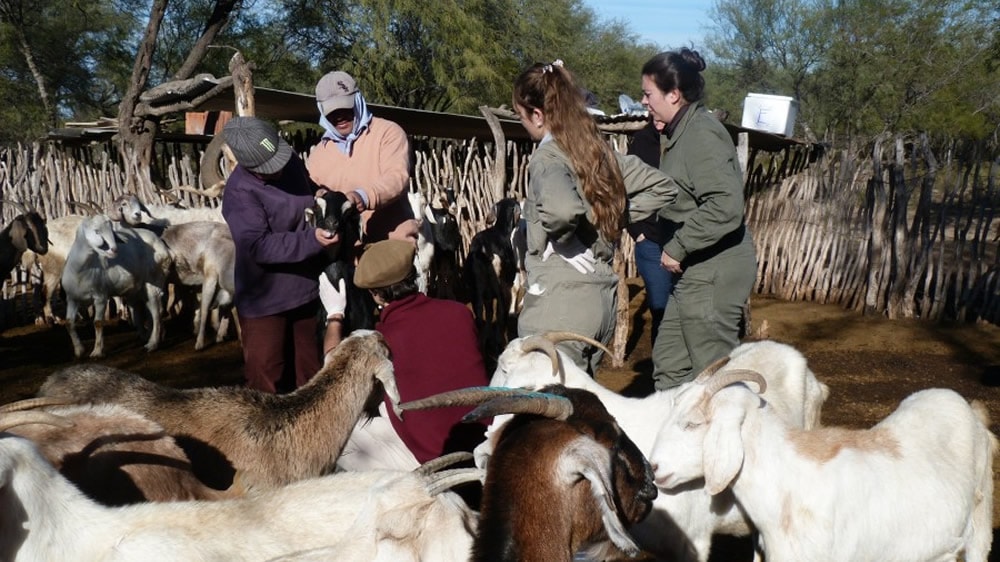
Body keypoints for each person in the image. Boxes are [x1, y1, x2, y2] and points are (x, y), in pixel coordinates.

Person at [512, 59, 677, 375]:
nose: (523, 123)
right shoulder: (601, 156)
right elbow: (664, 187)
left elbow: (562, 211)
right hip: (599, 304)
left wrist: (568, 239)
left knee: (545, 414)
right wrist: (604, 218)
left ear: (537, 114)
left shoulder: (548, 158)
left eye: (521, 116)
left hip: (560, 305)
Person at [640, 49, 758, 390]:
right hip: (696, 270)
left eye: (648, 94)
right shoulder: (679, 133)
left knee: (712, 378)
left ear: (673, 94)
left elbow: (726, 204)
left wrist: (677, 246)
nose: (644, 101)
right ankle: (681, 442)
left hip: (714, 270)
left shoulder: (701, 134)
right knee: (670, 367)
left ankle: (730, 441)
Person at [320, 239, 490, 471]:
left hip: (433, 458)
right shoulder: (460, 312)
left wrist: (335, 314)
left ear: (375, 294)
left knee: (336, 426)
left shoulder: (380, 341)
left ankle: (406, 491)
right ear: (413, 274)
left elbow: (330, 369)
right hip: (485, 445)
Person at [221, 116, 339, 393]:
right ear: (248, 165)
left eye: (279, 160)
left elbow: (307, 188)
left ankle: (314, 436)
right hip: (265, 298)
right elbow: (258, 246)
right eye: (267, 169)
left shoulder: (290, 162)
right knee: (267, 380)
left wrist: (319, 193)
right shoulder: (240, 193)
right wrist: (312, 239)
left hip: (305, 290)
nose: (278, 169)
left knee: (311, 377)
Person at [306, 70, 418, 245]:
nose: (340, 116)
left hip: (388, 242)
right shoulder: (319, 154)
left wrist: (363, 196)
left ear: (358, 101)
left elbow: (396, 178)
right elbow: (310, 192)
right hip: (341, 249)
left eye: (345, 108)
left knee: (377, 271)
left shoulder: (388, 133)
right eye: (332, 112)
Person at [626, 118, 674, 346]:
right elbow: (622, 190)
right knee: (660, 310)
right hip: (652, 242)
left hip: (686, 239)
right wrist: (638, 232)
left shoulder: (685, 141)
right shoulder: (642, 142)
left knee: (685, 315)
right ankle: (660, 374)